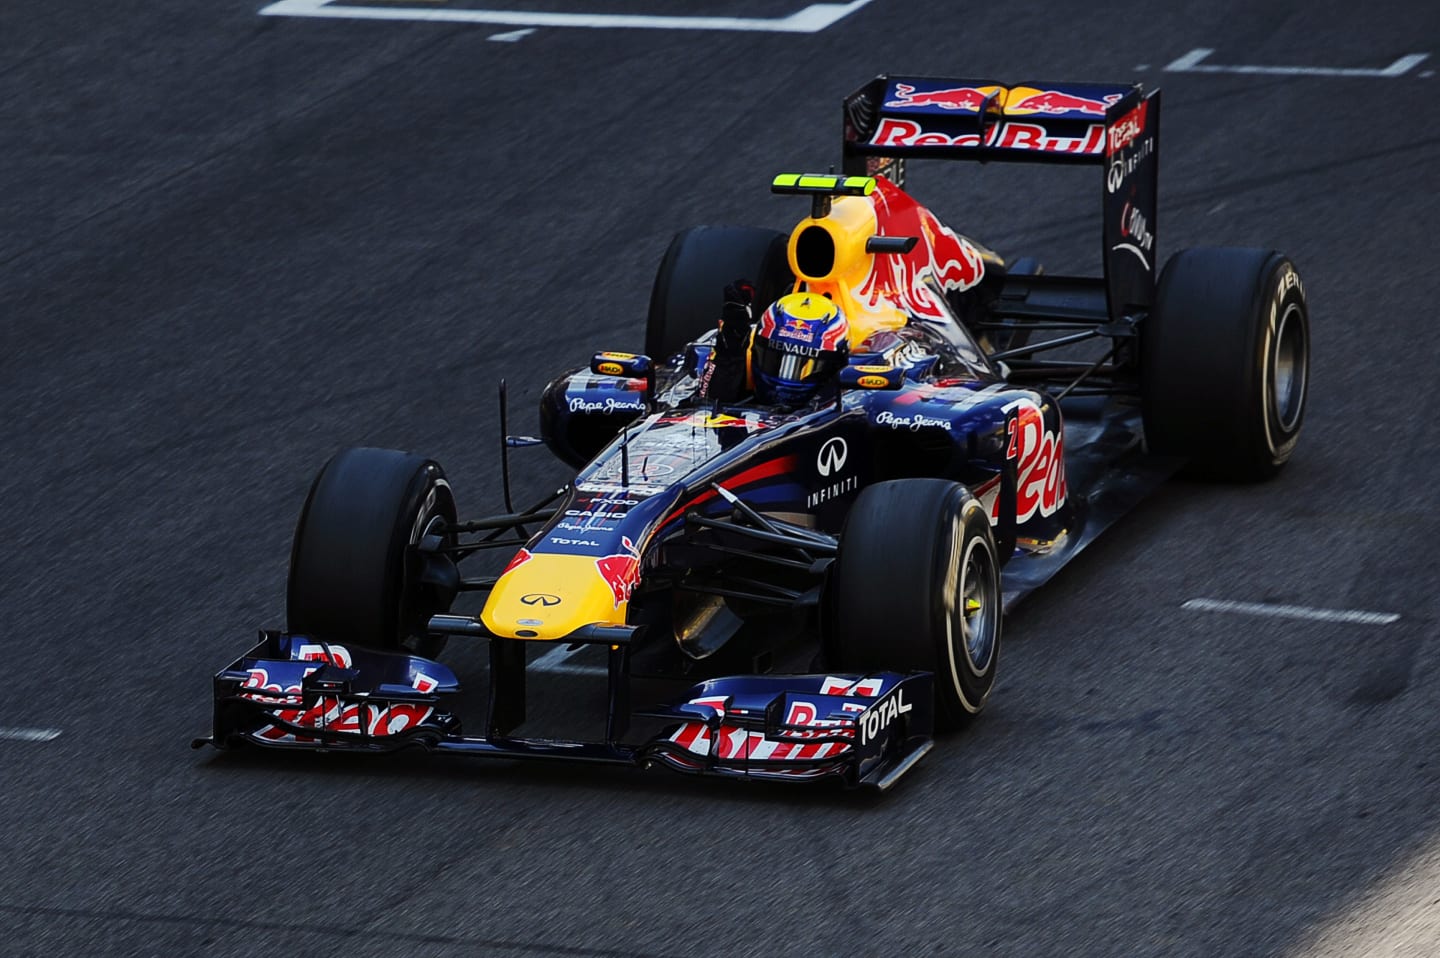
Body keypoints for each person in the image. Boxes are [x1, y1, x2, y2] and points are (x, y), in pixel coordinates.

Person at [700, 282, 850, 406]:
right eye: (776, 360)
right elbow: (704, 406)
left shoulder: (850, 402)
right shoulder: (741, 362)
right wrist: (730, 354)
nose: (785, 380)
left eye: (804, 365)